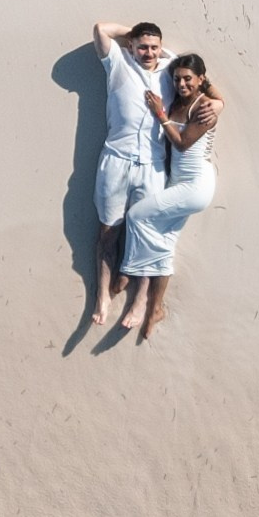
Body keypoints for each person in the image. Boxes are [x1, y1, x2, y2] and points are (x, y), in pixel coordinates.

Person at [117, 54, 221, 344]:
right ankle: (155, 309)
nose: (182, 83)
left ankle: (129, 270)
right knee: (165, 241)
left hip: (195, 185)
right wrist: (166, 55)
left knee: (137, 216)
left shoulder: (204, 108)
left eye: (188, 78)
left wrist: (160, 114)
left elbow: (183, 142)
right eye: (177, 78)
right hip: (178, 182)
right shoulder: (181, 100)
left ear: (201, 79)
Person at [90, 17, 166, 329]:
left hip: (152, 164)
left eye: (154, 48)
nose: (148, 53)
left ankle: (139, 299)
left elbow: (200, 80)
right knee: (109, 232)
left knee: (146, 233)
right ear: (132, 47)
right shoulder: (119, 64)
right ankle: (102, 297)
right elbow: (100, 30)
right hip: (116, 160)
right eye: (142, 47)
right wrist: (129, 35)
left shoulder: (169, 69)